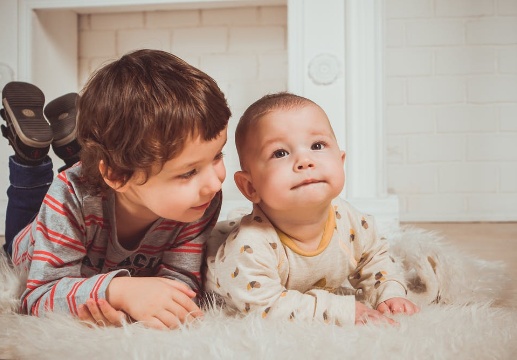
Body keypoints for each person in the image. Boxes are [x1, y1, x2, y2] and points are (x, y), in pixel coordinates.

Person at [1, 49, 231, 330]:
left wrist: (150, 303)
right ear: (118, 174)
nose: (215, 182)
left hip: (101, 186)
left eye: (218, 156)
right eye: (188, 172)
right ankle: (30, 156)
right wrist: (117, 291)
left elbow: (181, 280)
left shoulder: (199, 202)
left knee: (90, 179)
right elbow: (37, 297)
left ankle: (80, 149)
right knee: (17, 236)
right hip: (33, 241)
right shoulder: (69, 196)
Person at [205, 92, 419, 325]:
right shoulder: (249, 247)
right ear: (250, 186)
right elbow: (264, 307)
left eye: (317, 145)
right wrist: (340, 310)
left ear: (340, 160)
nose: (305, 161)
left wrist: (390, 292)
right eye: (280, 153)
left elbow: (375, 259)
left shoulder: (350, 220)